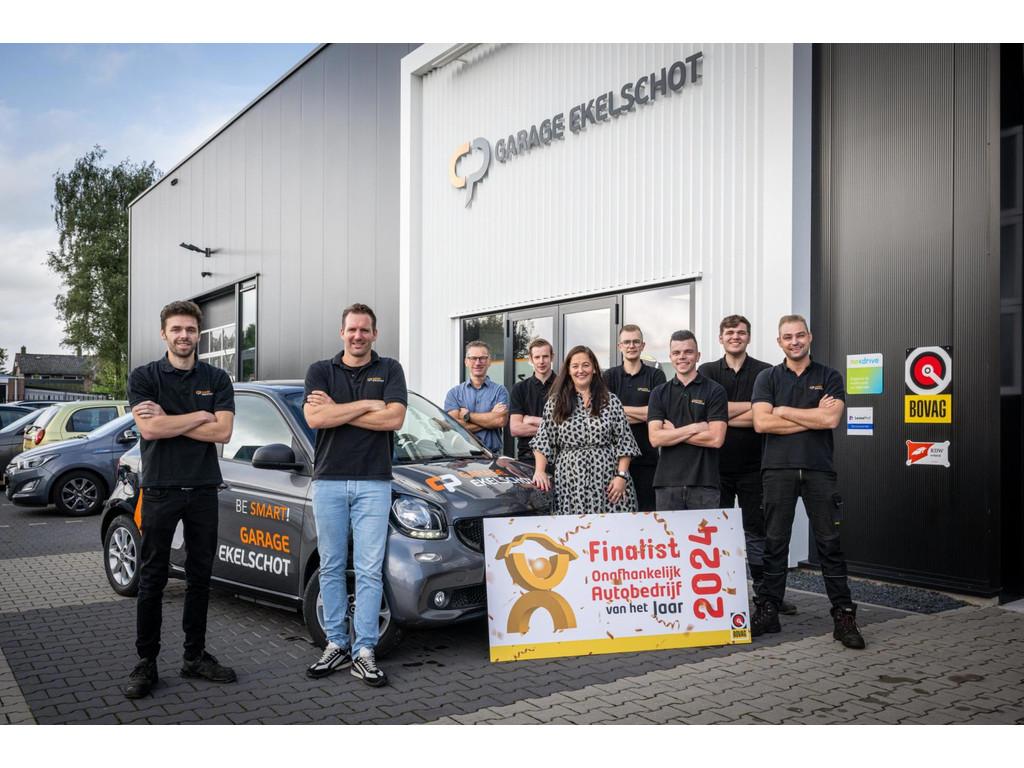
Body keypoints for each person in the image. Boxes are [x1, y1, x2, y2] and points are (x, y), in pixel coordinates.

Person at [123, 300, 236, 699]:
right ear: (164, 334)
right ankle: (146, 662)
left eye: (190, 329)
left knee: (200, 577)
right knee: (152, 577)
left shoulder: (216, 378)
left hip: (203, 488)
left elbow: (223, 433)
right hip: (160, 488)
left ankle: (194, 656)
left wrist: (169, 418)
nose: (184, 335)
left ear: (198, 334)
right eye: (176, 329)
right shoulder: (144, 377)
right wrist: (201, 415)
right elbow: (150, 431)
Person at [303, 303, 408, 685]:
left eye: (365, 330)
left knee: (368, 570)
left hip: (374, 482)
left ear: (374, 334)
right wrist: (366, 405)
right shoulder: (320, 371)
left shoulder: (390, 368)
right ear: (342, 332)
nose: (358, 336)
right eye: (352, 329)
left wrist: (340, 410)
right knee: (331, 566)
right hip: (329, 481)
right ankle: (336, 643)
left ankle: (364, 650)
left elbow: (395, 418)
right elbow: (315, 418)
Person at [750, 314, 865, 649]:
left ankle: (843, 616)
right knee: (775, 543)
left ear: (809, 337)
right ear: (779, 342)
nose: (794, 342)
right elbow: (761, 423)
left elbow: (830, 419)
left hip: (818, 470)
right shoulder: (767, 377)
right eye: (788, 337)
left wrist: (783, 410)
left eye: (800, 335)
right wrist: (811, 416)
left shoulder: (829, 376)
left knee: (829, 543)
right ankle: (768, 610)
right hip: (777, 470)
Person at [699, 315, 796, 616]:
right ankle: (724, 596)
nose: (735, 337)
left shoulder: (765, 372)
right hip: (716, 468)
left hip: (755, 467)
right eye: (729, 332)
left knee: (756, 532)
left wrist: (722, 414)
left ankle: (766, 596)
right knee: (718, 533)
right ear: (721, 338)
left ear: (748, 337)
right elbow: (704, 415)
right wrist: (753, 409)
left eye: (741, 332)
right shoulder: (707, 371)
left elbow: (766, 416)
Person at [530, 345, 640, 514]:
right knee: (574, 528)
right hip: (570, 482)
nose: (580, 370)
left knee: (611, 528)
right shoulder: (556, 403)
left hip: (609, 483)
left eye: (586, 365)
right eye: (575, 366)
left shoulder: (611, 401)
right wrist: (539, 471)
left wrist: (621, 476)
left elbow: (624, 442)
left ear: (594, 368)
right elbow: (543, 441)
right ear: (568, 370)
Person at [648, 330, 728, 511]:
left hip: (705, 483)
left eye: (688, 352)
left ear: (698, 356)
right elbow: (655, 438)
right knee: (669, 532)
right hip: (667, 484)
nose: (682, 357)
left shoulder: (715, 391)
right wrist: (695, 427)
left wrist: (672, 432)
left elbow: (716, 439)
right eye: (676, 353)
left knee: (706, 532)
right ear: (670, 357)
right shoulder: (659, 393)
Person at [605, 325, 666, 511]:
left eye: (635, 342)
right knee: (617, 515)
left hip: (647, 459)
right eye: (627, 342)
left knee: (648, 514)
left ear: (642, 345)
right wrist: (645, 414)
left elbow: (657, 414)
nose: (631, 346)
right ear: (619, 346)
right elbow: (604, 415)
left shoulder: (656, 375)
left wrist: (618, 411)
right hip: (614, 462)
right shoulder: (609, 376)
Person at [444, 341, 509, 455]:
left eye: (482, 358)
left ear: (489, 361)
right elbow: (453, 426)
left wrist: (467, 416)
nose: (478, 363)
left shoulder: (500, 391)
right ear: (466, 362)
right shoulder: (454, 393)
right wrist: (490, 420)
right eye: (473, 358)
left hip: (492, 456)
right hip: (462, 457)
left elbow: (500, 420)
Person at [509, 337, 555, 465]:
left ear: (552, 357)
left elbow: (567, 427)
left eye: (545, 356)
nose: (541, 361)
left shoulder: (565, 387)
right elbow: (515, 429)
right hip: (528, 458)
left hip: (558, 457)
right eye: (537, 357)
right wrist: (552, 427)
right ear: (530, 359)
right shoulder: (519, 388)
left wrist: (532, 420)